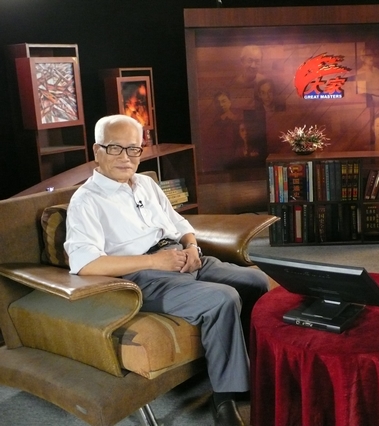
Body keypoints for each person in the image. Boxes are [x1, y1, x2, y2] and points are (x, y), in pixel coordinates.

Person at [64, 114, 268, 426]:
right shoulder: (86, 201)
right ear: (97, 151)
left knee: (255, 280)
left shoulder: (146, 183)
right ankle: (227, 397)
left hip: (180, 258)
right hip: (143, 278)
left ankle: (256, 368)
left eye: (133, 149)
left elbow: (178, 223)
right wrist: (154, 262)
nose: (126, 157)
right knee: (222, 298)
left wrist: (192, 247)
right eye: (115, 148)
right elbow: (85, 263)